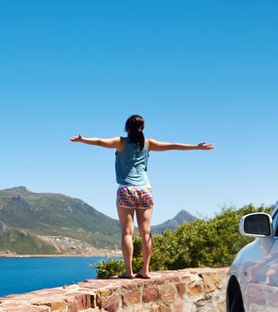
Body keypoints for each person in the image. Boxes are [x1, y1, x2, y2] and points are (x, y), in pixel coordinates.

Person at [70, 114, 214, 278]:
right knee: (146, 232)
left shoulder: (121, 142)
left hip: (126, 190)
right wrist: (196, 147)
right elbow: (172, 146)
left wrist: (83, 139)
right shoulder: (148, 143)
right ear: (142, 128)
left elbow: (99, 142)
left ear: (126, 128)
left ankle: (129, 271)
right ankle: (145, 270)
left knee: (127, 232)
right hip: (145, 190)